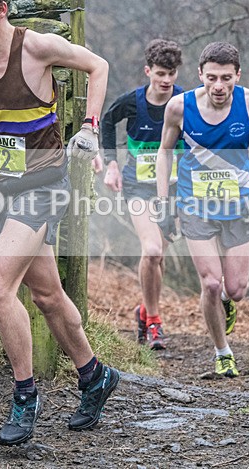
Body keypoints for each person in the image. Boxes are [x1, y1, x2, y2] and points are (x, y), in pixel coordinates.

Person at [0, 0, 120, 447]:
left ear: (2, 11)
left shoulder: (37, 48)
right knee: (46, 295)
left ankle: (25, 396)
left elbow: (98, 65)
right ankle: (95, 376)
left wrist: (90, 126)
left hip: (43, 186)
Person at [155, 41, 249, 378]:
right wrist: (163, 203)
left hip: (239, 204)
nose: (218, 86)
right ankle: (222, 352)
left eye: (226, 78)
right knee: (210, 283)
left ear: (238, 75)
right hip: (194, 204)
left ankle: (226, 300)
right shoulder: (179, 107)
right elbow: (164, 153)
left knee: (236, 290)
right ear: (200, 74)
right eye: (211, 77)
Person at [99, 39, 183, 350]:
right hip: (137, 186)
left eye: (171, 73)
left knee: (158, 256)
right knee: (152, 250)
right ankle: (155, 322)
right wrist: (112, 164)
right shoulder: (132, 102)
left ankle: (144, 310)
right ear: (148, 71)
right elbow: (107, 121)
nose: (166, 80)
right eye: (160, 73)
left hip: (172, 189)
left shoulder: (185, 102)